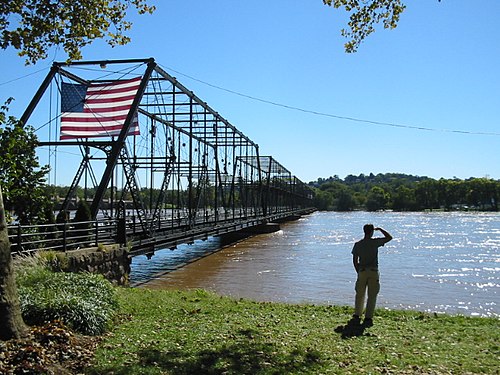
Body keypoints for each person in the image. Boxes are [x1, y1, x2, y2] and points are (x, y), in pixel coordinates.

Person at [351, 224, 392, 327]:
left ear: (364, 231)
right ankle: (368, 317)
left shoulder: (358, 244)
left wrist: (358, 271)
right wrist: (381, 229)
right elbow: (389, 237)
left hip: (362, 270)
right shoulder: (375, 242)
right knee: (372, 295)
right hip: (373, 270)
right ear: (372, 231)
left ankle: (357, 314)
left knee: (359, 294)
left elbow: (355, 260)